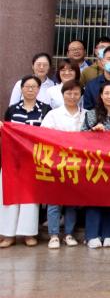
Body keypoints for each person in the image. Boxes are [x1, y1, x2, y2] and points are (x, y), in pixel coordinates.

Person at [0, 75, 50, 247]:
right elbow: (7, 131)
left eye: (34, 87)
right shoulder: (12, 110)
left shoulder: (45, 109)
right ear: (21, 89)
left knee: (30, 197)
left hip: (34, 158)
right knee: (9, 195)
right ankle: (8, 235)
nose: (30, 89)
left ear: (38, 89)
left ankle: (28, 234)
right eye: (27, 86)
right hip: (12, 158)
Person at [41, 80, 86, 249]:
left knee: (72, 201)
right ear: (63, 94)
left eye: (76, 93)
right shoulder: (53, 114)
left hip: (77, 164)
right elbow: (43, 135)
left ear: (80, 95)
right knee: (54, 200)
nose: (72, 96)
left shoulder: (86, 114)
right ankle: (53, 235)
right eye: (68, 93)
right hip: (56, 162)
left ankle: (68, 233)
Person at [82, 80, 110, 249]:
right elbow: (81, 137)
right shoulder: (91, 114)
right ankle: (92, 235)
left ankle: (108, 234)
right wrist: (93, 132)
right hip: (96, 163)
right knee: (94, 198)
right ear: (100, 95)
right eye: (106, 93)